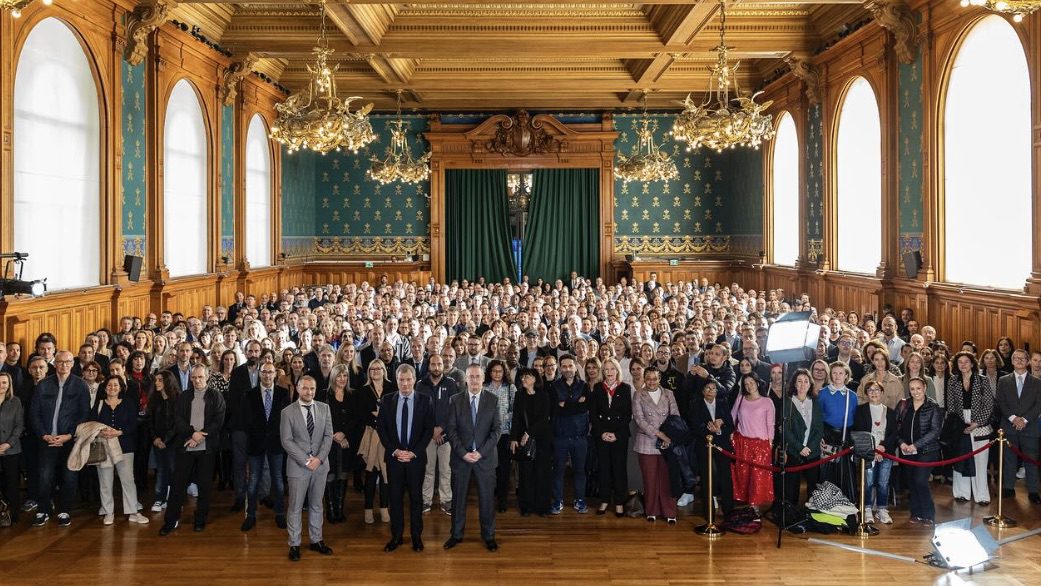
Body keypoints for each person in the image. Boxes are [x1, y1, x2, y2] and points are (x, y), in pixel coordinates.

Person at [160, 365, 227, 536]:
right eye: (194, 377)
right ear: (191, 378)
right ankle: (171, 520)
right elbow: (178, 419)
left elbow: (218, 420)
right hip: (186, 446)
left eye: (200, 377)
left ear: (207, 377)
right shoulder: (184, 396)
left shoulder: (216, 396)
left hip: (207, 449)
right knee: (177, 485)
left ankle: (200, 519)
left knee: (204, 486)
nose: (197, 380)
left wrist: (201, 436)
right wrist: (192, 434)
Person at [376, 364, 434, 552]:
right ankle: (396, 537)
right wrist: (395, 451)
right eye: (401, 380)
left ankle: (416, 536)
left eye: (408, 379)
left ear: (414, 380)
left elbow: (428, 430)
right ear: (396, 380)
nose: (405, 383)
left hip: (416, 459)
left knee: (416, 499)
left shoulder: (425, 400)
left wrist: (414, 452)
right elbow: (381, 429)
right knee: (395, 499)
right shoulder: (386, 400)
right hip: (395, 459)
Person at [444, 364, 501, 552]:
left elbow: (497, 430)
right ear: (466, 379)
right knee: (458, 499)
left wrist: (481, 452)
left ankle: (489, 536)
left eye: (478, 376)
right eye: (471, 376)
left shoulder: (492, 399)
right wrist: (463, 453)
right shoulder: (455, 400)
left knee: (487, 500)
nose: (474, 380)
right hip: (461, 459)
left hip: (485, 459)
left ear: (483, 378)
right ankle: (456, 534)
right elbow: (451, 430)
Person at [30, 350, 89, 527]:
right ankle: (43, 510)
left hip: (69, 440)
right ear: (54, 364)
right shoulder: (43, 385)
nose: (64, 365)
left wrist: (69, 435)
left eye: (67, 362)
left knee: (69, 477)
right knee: (44, 477)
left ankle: (64, 510)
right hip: (46, 439)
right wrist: (44, 434)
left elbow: (84, 413)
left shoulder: (80, 385)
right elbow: (34, 413)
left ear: (72, 364)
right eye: (60, 362)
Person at [280, 375, 334, 561]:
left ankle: (316, 540)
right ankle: (294, 544)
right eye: (305, 388)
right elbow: (286, 441)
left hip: (320, 466)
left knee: (317, 504)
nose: (309, 392)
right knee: (295, 506)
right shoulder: (287, 412)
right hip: (298, 467)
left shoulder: (324, 408)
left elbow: (328, 436)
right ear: (297, 388)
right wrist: (306, 460)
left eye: (312, 388)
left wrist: (319, 459)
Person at [92, 375, 149, 525]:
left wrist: (119, 432)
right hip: (103, 447)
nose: (112, 388)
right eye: (109, 385)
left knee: (128, 480)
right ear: (105, 388)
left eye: (116, 385)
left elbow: (133, 424)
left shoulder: (128, 403)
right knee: (105, 481)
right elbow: (91, 424)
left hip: (125, 447)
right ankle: (108, 512)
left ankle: (133, 512)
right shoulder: (99, 404)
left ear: (120, 388)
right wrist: (100, 433)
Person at [241, 363, 290, 531]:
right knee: (254, 480)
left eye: (270, 372)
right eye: (264, 372)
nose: (267, 375)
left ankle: (280, 513)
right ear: (260, 374)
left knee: (278, 480)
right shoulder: (249, 394)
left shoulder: (283, 393)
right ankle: (251, 515)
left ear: (275, 374)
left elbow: (287, 420)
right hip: (256, 443)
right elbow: (245, 420)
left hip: (276, 443)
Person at [632, 367, 679, 524]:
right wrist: (660, 434)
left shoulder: (669, 393)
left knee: (667, 478)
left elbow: (675, 416)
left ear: (660, 379)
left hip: (667, 442)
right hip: (647, 442)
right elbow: (639, 419)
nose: (651, 382)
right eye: (648, 378)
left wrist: (669, 435)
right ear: (644, 379)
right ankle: (651, 510)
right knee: (650, 479)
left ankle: (669, 511)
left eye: (655, 378)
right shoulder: (638, 394)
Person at [946, 351, 994, 505]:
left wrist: (976, 423)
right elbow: (951, 407)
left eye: (966, 361)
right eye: (960, 362)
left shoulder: (982, 380)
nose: (963, 365)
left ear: (972, 363)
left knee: (980, 461)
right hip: (960, 424)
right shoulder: (953, 381)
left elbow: (989, 405)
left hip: (980, 425)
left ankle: (982, 496)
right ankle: (962, 493)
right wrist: (960, 426)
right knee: (961, 459)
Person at [415, 354, 459, 515]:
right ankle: (425, 500)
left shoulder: (451, 383)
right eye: (433, 364)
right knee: (428, 469)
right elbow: (418, 411)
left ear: (443, 365)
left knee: (446, 469)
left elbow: (454, 410)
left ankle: (446, 500)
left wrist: (441, 429)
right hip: (427, 436)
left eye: (439, 364)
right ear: (428, 366)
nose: (436, 367)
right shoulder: (420, 385)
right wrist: (432, 430)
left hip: (445, 436)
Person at [996, 349, 1041, 503]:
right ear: (1012, 361)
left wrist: (1024, 420)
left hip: (1031, 426)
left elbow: (1038, 405)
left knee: (1031, 460)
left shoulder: (1037, 382)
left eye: (1023, 358)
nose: (1019, 360)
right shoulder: (1003, 380)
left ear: (1028, 362)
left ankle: (1033, 491)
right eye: (1016, 358)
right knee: (1009, 459)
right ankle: (1008, 488)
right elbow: (1001, 402)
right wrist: (1014, 419)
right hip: (1009, 426)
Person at [897, 377, 942, 524]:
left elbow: (935, 431)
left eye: (918, 388)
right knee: (911, 482)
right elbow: (895, 427)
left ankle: (928, 514)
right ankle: (916, 513)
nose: (915, 392)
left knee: (920, 481)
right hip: (907, 451)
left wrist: (916, 445)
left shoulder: (933, 406)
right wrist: (901, 443)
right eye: (912, 389)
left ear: (924, 388)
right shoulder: (904, 405)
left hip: (927, 451)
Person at [550, 354, 591, 514]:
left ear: (575, 367)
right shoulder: (554, 387)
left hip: (580, 436)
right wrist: (575, 404)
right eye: (564, 366)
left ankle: (579, 500)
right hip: (560, 436)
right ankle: (558, 500)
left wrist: (565, 405)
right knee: (558, 470)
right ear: (560, 368)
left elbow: (584, 408)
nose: (567, 369)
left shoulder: (584, 386)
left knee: (580, 470)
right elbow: (555, 410)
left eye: (570, 366)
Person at [590, 357, 631, 516]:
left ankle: (619, 502)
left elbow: (627, 415)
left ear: (617, 370)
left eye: (612, 369)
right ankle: (605, 500)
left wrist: (616, 434)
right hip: (602, 435)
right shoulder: (597, 388)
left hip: (619, 436)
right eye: (606, 369)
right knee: (604, 469)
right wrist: (602, 433)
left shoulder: (625, 388)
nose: (609, 372)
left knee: (619, 469)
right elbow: (593, 415)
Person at [854, 381, 898, 524]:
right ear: (866, 393)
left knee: (883, 482)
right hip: (868, 452)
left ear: (882, 392)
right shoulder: (860, 410)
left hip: (886, 452)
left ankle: (882, 510)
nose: (873, 393)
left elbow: (893, 434)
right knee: (868, 482)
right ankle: (867, 509)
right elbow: (859, 431)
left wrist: (883, 447)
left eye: (877, 390)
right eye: (870, 390)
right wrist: (873, 449)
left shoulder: (890, 412)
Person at [511, 367, 553, 516]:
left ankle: (542, 507)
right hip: (524, 440)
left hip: (542, 439)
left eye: (526, 377)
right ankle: (526, 507)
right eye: (522, 377)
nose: (523, 379)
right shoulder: (519, 395)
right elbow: (516, 418)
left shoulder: (544, 395)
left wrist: (529, 432)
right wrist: (513, 438)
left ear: (535, 379)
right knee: (526, 474)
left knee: (542, 473)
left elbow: (545, 418)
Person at [689, 379, 734, 519]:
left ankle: (728, 512)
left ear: (717, 391)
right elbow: (694, 427)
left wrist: (719, 430)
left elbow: (730, 426)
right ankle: (709, 515)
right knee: (707, 478)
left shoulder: (723, 403)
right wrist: (711, 431)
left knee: (725, 478)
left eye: (713, 388)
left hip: (722, 446)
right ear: (703, 391)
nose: (710, 391)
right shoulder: (695, 404)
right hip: (704, 446)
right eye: (707, 388)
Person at [731, 373, 775, 512]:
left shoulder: (767, 401)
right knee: (743, 476)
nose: (749, 386)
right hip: (742, 442)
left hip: (760, 445)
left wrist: (770, 443)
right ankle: (745, 506)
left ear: (757, 383)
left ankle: (754, 508)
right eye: (746, 384)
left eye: (751, 382)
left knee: (757, 477)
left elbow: (770, 424)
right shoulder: (740, 399)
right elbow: (732, 416)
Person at [780, 368, 822, 507]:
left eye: (806, 381)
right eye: (799, 381)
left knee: (813, 488)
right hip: (794, 452)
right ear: (794, 383)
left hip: (812, 452)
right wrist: (800, 448)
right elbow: (785, 430)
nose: (803, 384)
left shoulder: (815, 402)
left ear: (810, 384)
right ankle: (792, 513)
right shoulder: (787, 403)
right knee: (792, 488)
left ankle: (810, 514)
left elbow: (819, 429)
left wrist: (809, 447)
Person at [817, 361, 857, 497]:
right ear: (830, 375)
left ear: (846, 375)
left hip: (846, 436)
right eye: (834, 373)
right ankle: (827, 500)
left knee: (845, 471)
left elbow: (854, 418)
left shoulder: (852, 395)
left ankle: (845, 501)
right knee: (828, 471)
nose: (837, 376)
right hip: (828, 435)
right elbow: (818, 416)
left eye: (841, 373)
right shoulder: (823, 393)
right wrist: (820, 436)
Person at [484, 360, 516, 513]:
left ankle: (502, 501)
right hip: (487, 435)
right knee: (489, 469)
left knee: (504, 469)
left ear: (504, 373)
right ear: (489, 372)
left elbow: (515, 411)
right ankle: (488, 499)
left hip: (504, 434)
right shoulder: (484, 387)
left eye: (500, 371)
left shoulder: (510, 388)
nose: (497, 374)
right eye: (494, 371)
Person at [325, 363, 355, 523]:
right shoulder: (324, 394)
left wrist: (344, 434)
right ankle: (330, 510)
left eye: (345, 376)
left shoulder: (352, 395)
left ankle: (339, 509)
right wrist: (333, 435)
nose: (342, 379)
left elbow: (355, 419)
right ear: (333, 377)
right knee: (329, 474)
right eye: (339, 376)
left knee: (343, 473)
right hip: (328, 441)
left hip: (345, 441)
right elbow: (322, 418)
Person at [148, 370, 180, 512]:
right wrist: (155, 438)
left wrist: (166, 440)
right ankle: (159, 498)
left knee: (174, 470)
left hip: (173, 441)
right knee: (161, 470)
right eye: (156, 380)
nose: (156, 383)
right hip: (158, 441)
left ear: (168, 381)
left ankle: (173, 499)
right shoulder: (154, 400)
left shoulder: (178, 399)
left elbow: (177, 423)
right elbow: (150, 421)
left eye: (160, 380)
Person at [0, 371, 24, 524]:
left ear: (9, 385)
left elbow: (19, 426)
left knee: (11, 483)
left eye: (4, 383)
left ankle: (13, 514)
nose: (1, 385)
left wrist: (8, 443)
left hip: (11, 449)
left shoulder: (15, 401)